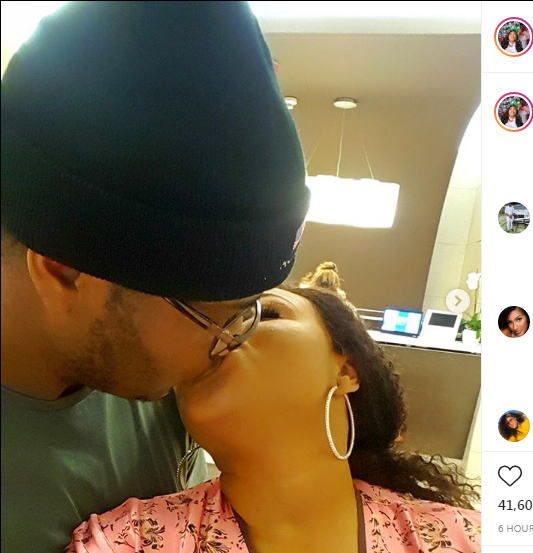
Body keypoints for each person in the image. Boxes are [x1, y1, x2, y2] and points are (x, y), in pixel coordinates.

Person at [1, 3, 309, 551]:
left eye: (250, 311)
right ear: (65, 272)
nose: (234, 346)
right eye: (215, 318)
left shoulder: (161, 385)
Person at [67, 287, 481, 552]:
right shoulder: (127, 541)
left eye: (264, 313)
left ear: (346, 370)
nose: (215, 333)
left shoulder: (465, 539)